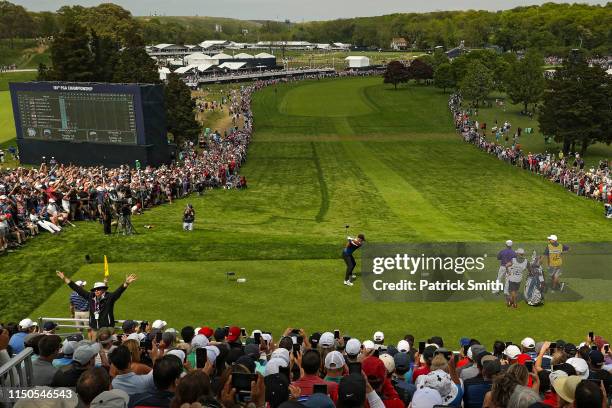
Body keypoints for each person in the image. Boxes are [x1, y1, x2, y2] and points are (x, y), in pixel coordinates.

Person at [55, 270, 137, 330]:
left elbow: (119, 291)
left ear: (104, 289)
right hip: (94, 328)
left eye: (99, 289)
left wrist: (126, 283)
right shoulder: (90, 296)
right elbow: (76, 288)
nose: (96, 291)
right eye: (95, 289)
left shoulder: (110, 297)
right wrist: (64, 278)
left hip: (107, 328)